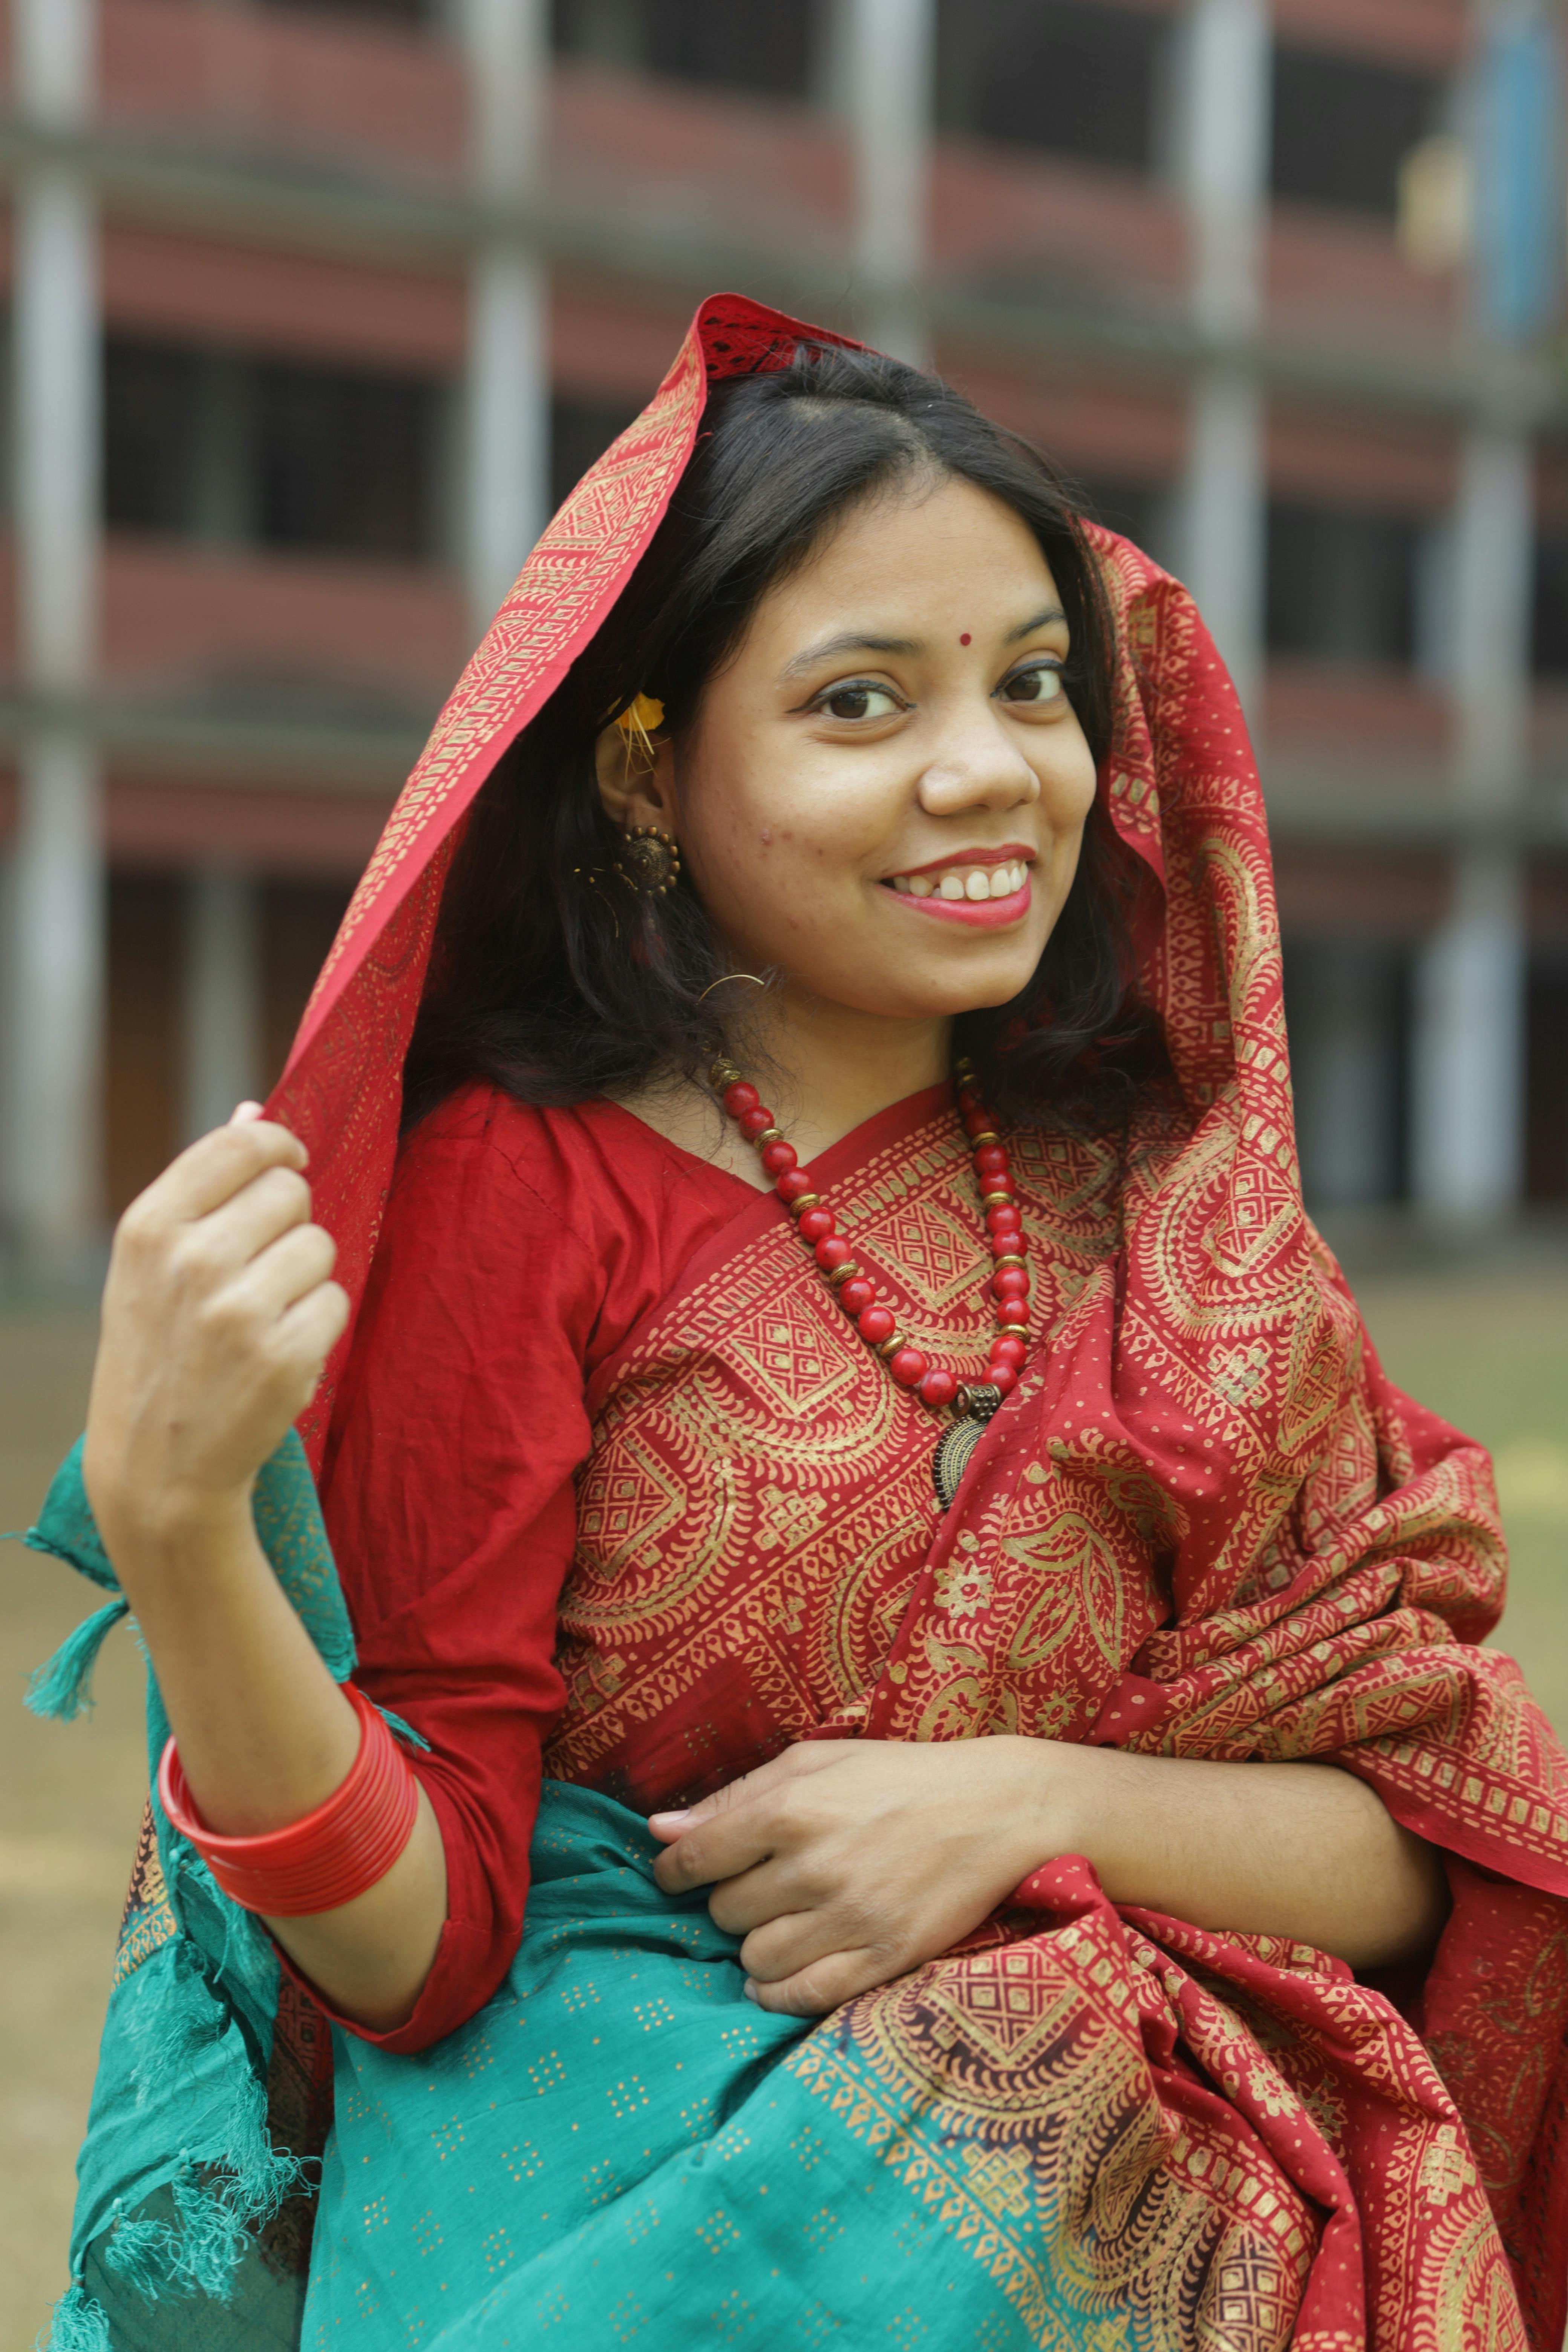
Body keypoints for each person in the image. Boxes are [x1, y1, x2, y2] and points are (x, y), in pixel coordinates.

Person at [35, 296, 1568, 2351]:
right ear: (652, 780)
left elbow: (1441, 1844)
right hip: (630, 2258)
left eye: (1036, 686)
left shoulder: (1177, 1203)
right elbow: (421, 1950)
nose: (990, 770)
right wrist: (183, 1536)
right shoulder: (528, 1196)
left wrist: (1035, 1808)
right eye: (861, 704)